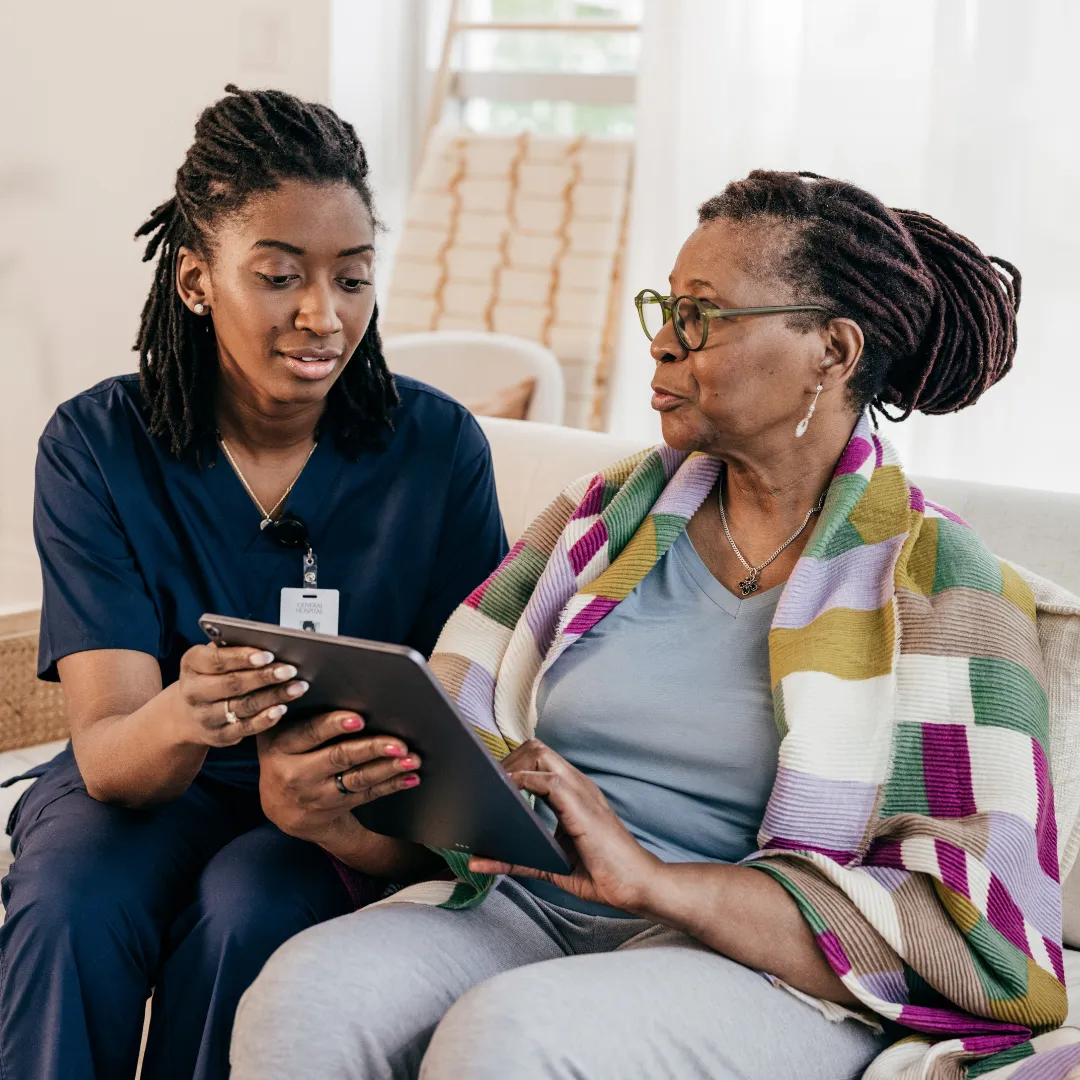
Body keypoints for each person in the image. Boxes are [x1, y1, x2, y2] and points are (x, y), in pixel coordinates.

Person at [231, 170, 1067, 1080]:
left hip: (768, 967)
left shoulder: (944, 582)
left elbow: (975, 931)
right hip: (531, 902)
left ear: (830, 350)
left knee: (511, 1035)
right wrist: (332, 817)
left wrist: (655, 883)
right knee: (305, 991)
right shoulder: (601, 520)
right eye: (665, 309)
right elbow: (460, 785)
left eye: (702, 315)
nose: (664, 345)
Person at [0, 86, 506, 1080]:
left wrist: (353, 811)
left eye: (354, 279)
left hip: (335, 804)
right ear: (196, 280)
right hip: (154, 776)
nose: (324, 316)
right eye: (280, 276)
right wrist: (193, 710)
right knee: (70, 900)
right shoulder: (96, 445)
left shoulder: (438, 447)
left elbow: (471, 716)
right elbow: (112, 760)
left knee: (251, 907)